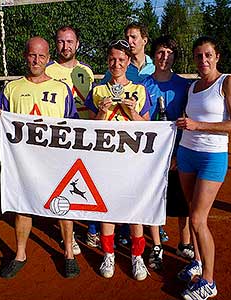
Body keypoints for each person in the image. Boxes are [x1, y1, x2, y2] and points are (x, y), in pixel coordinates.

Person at [0, 36, 81, 279]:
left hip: (55, 161)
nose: (36, 60)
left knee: (63, 206)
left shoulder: (61, 89)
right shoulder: (12, 88)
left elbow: (73, 124)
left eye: (41, 56)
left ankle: (69, 253)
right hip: (24, 163)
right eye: (32, 55)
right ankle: (20, 254)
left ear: (48, 58)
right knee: (23, 206)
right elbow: (1, 122)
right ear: (25, 56)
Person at [175, 36, 231, 300]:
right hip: (187, 153)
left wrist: (198, 126)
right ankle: (198, 262)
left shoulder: (228, 82)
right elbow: (188, 122)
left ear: (217, 57)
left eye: (208, 55)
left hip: (212, 157)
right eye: (198, 56)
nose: (203, 60)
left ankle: (208, 281)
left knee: (197, 219)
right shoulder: (192, 87)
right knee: (192, 211)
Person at [85, 40, 151, 281]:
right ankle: (109, 254)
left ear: (128, 62)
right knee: (107, 208)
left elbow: (149, 127)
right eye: (112, 59)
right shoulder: (98, 90)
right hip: (105, 158)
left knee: (134, 210)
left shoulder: (140, 90)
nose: (116, 64)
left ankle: (137, 257)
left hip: (132, 158)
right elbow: (89, 129)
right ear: (107, 61)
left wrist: (132, 111)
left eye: (121, 60)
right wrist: (102, 111)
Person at [102, 23, 167, 246]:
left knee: (143, 190)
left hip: (140, 138)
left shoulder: (153, 65)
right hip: (112, 144)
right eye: (127, 36)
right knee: (113, 191)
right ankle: (117, 234)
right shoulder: (112, 74)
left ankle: (154, 230)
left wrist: (136, 111)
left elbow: (147, 117)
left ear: (144, 40)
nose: (130, 40)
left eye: (134, 37)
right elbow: (104, 93)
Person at [142, 35, 194, 271]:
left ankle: (185, 243)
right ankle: (156, 245)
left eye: (169, 53)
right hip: (150, 154)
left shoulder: (184, 85)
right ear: (154, 55)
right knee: (154, 200)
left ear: (175, 56)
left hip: (178, 152)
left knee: (183, 199)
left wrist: (178, 153)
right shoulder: (143, 85)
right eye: (161, 52)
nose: (165, 57)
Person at [46, 25, 97, 250]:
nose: (65, 46)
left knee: (89, 181)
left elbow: (93, 103)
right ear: (56, 44)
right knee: (63, 185)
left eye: (70, 42)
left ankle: (93, 229)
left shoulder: (86, 71)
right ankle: (69, 234)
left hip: (85, 134)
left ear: (77, 44)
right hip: (60, 136)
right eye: (61, 41)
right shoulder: (48, 70)